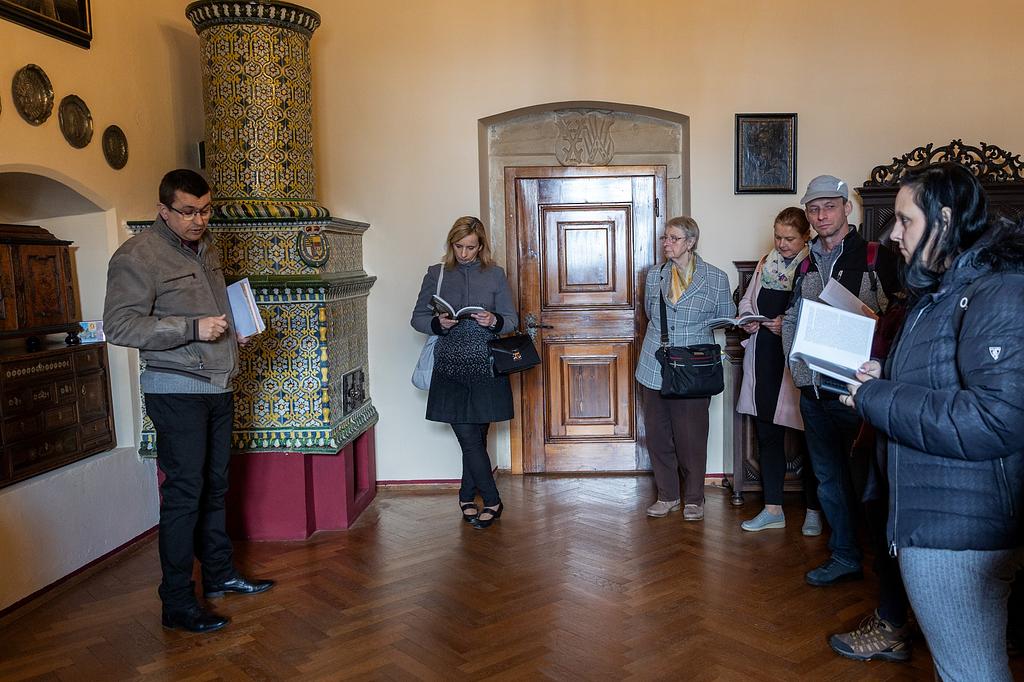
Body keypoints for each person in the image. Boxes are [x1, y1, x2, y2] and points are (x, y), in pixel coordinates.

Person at [843, 162, 1024, 681]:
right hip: (940, 515)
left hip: (959, 531)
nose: (893, 235)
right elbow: (944, 377)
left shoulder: (998, 291)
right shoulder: (944, 290)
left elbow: (994, 418)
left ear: (943, 220)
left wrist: (876, 396)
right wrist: (888, 373)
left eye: (905, 221)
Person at [103, 169, 274, 633]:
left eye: (206, 210)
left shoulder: (206, 247)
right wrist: (192, 328)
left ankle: (219, 575)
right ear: (163, 210)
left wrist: (235, 332)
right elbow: (119, 326)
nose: (199, 220)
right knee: (184, 495)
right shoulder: (137, 255)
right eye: (188, 211)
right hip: (176, 389)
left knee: (215, 486)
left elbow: (212, 309)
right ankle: (177, 602)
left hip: (219, 384)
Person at [781, 174, 900, 586]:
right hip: (814, 391)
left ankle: (886, 569)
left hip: (858, 393)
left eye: (829, 207)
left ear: (846, 208)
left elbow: (897, 319)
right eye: (814, 209)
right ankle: (845, 556)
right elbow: (793, 318)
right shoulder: (806, 262)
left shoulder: (875, 256)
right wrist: (798, 371)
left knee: (869, 481)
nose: (821, 216)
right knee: (828, 480)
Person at [410, 216, 518, 529]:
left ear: (480, 246)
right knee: (469, 438)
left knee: (477, 437)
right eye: (458, 246)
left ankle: (466, 495)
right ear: (451, 245)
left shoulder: (495, 274)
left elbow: (511, 319)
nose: (464, 253)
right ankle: (493, 500)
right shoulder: (436, 273)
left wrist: (494, 321)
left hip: (486, 365)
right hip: (450, 366)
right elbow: (417, 318)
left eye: (470, 247)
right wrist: (437, 323)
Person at [635, 216, 733, 521]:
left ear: (690, 242)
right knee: (658, 435)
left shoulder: (716, 278)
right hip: (655, 363)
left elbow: (726, 316)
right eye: (665, 238)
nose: (667, 243)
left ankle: (694, 499)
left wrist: (694, 332)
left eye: (674, 238)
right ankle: (667, 496)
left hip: (694, 368)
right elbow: (650, 312)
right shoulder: (655, 275)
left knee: (692, 437)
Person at [736, 207, 821, 534]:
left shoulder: (813, 266)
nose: (782, 244)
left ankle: (814, 510)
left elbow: (818, 313)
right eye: (778, 237)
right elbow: (747, 300)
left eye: (790, 238)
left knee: (811, 440)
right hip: (764, 358)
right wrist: (748, 318)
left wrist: (787, 323)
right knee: (768, 435)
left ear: (805, 237)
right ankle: (773, 509)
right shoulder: (764, 263)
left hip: (796, 363)